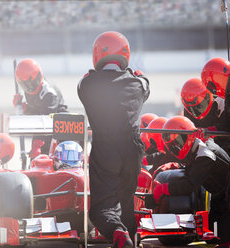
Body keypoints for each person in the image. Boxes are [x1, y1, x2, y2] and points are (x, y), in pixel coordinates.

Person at [78, 31, 150, 248]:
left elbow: (83, 84)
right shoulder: (138, 84)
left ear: (97, 55)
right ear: (125, 54)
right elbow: (145, 84)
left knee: (102, 208)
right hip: (133, 150)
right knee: (126, 202)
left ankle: (118, 233)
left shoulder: (87, 85)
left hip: (105, 148)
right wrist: (134, 74)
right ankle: (130, 238)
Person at [153, 115, 230, 245]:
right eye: (173, 146)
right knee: (212, 235)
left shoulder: (205, 153)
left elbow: (190, 184)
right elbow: (196, 168)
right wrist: (177, 165)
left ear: (188, 136)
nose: (176, 148)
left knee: (225, 238)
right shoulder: (196, 147)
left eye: (178, 143)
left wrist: (164, 188)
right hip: (219, 196)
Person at [201, 57, 230, 248]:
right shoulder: (229, 97)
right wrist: (206, 130)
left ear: (217, 78)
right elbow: (226, 125)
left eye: (212, 85)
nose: (213, 90)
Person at [13, 58, 68, 158]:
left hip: (60, 127)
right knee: (35, 161)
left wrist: (37, 144)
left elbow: (46, 119)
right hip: (41, 127)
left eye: (31, 83)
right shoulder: (29, 90)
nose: (30, 87)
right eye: (26, 85)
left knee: (54, 160)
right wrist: (25, 108)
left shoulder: (49, 93)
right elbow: (37, 113)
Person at [181, 77, 230, 153]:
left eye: (199, 106)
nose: (195, 109)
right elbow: (189, 129)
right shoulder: (188, 109)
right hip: (200, 148)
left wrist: (211, 131)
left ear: (207, 97)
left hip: (225, 147)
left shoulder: (221, 102)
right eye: (191, 107)